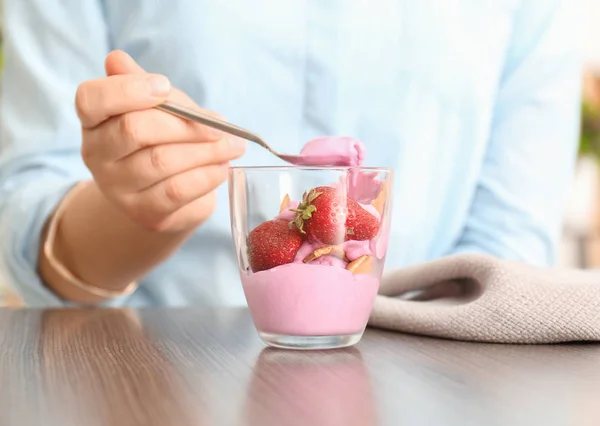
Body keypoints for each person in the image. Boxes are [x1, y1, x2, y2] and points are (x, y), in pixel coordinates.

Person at [0, 1, 582, 307]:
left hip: (428, 379)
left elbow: (508, 254)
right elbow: (28, 225)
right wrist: (142, 212)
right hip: (145, 375)